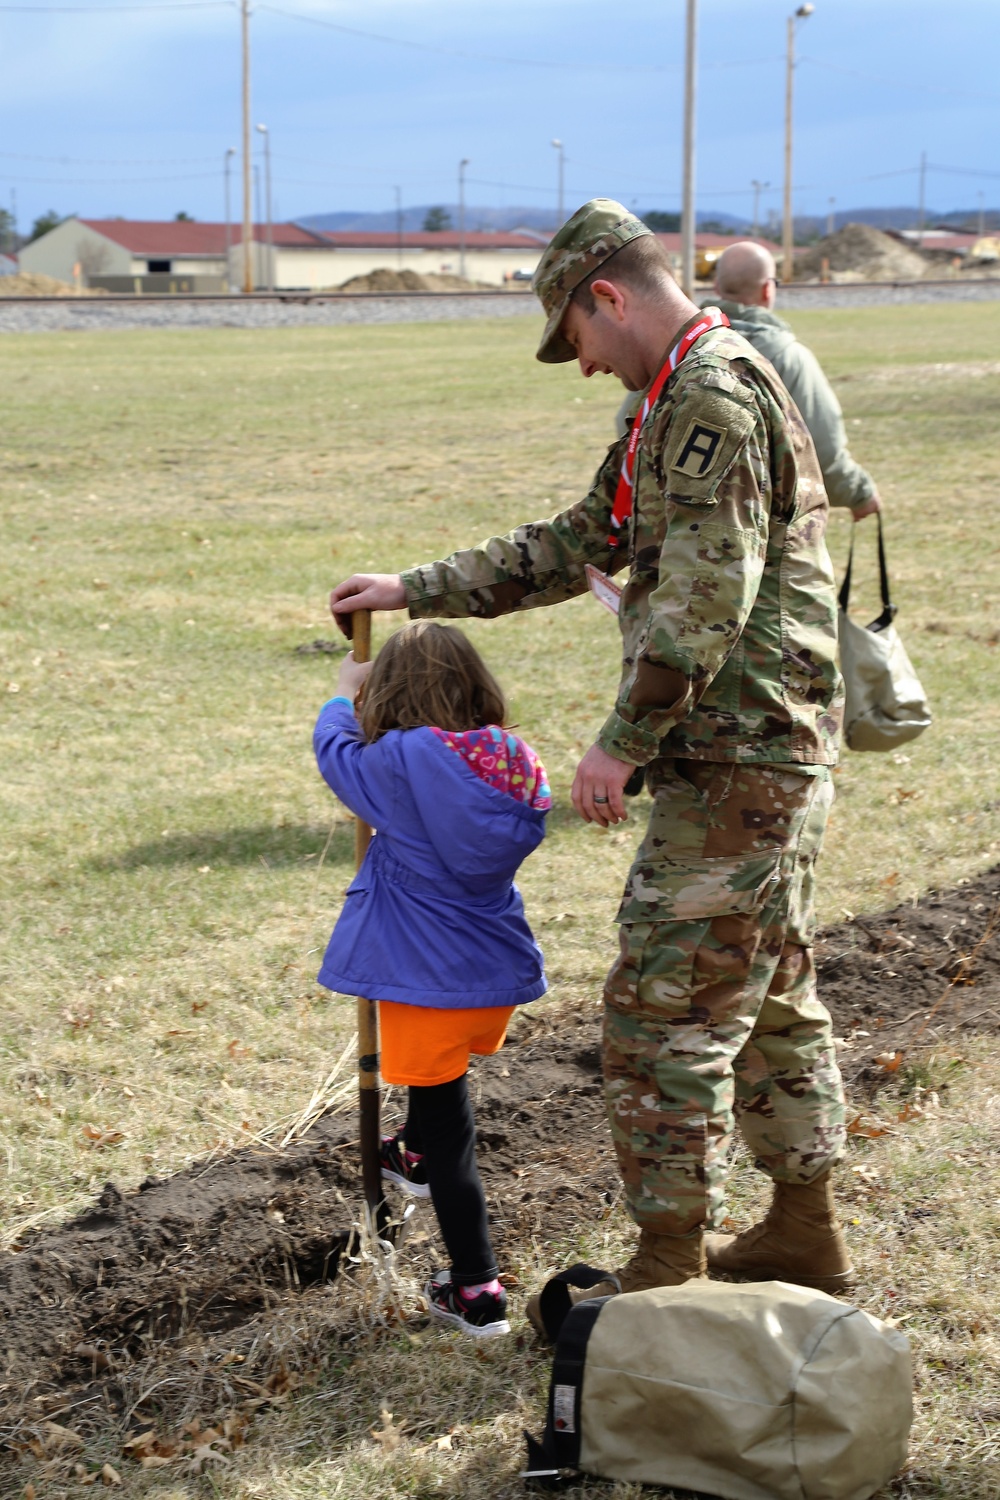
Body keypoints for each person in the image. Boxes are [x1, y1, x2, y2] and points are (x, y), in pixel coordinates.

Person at [327, 200, 853, 1306]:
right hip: (758, 750)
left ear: (606, 297)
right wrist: (413, 588)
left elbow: (706, 600)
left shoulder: (705, 394)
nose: (579, 365)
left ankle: (669, 1262)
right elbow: (581, 540)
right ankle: (803, 1228)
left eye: (574, 338)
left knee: (662, 1007)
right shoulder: (669, 396)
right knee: (766, 991)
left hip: (740, 757)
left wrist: (621, 743)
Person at [313, 621, 551, 1339]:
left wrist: (338, 699)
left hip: (426, 980)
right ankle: (410, 1152)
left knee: (453, 1137)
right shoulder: (508, 754)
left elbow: (339, 761)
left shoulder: (403, 759)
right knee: (437, 1102)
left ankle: (476, 1291)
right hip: (490, 973)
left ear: (391, 691)